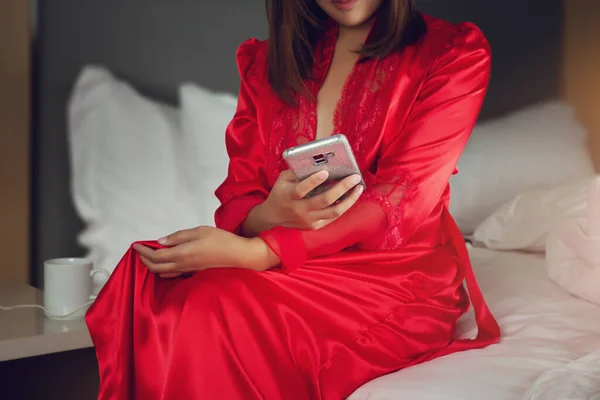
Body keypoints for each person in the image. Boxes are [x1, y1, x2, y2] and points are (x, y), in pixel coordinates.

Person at [86, 0, 500, 398]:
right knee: (156, 284)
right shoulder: (265, 64)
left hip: (396, 276)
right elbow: (239, 192)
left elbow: (399, 200)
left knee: (211, 306)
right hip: (294, 261)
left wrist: (259, 253)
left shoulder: (454, 52)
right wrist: (269, 215)